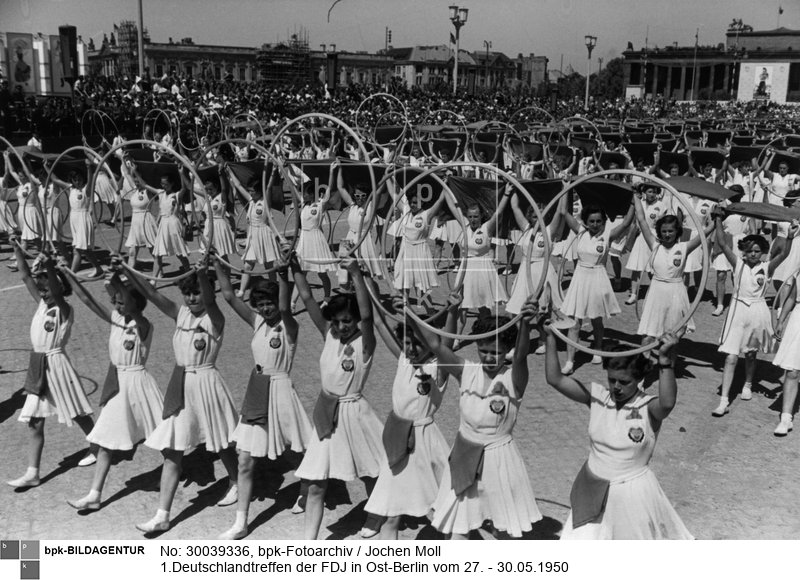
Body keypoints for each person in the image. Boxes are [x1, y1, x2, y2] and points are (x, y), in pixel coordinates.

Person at [542, 321, 692, 540]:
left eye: (624, 381)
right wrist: (549, 338)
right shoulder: (597, 396)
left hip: (631, 496)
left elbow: (667, 403)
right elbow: (555, 379)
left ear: (639, 379)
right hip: (592, 487)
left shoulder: (647, 406)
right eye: (612, 380)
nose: (616, 387)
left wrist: (665, 364)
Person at [124, 265, 239, 533]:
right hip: (182, 385)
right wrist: (129, 272)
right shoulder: (180, 313)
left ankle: (236, 480)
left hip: (208, 383)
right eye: (187, 293)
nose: (192, 298)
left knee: (220, 441)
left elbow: (210, 299)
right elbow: (151, 294)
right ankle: (162, 514)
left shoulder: (215, 317)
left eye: (197, 293)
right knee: (173, 449)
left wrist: (202, 275)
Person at [419, 309, 543, 539]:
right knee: (457, 526)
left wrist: (525, 323)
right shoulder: (466, 371)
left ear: (507, 350)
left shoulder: (514, 378)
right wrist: (409, 316)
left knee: (501, 528)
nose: (488, 357)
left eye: (496, 352)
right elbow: (436, 346)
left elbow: (521, 356)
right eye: (483, 351)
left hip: (499, 459)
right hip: (464, 455)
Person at [214, 256, 312, 540]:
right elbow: (230, 296)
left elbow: (283, 306)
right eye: (262, 304)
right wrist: (217, 265)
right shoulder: (256, 320)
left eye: (269, 302)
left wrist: (283, 274)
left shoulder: (289, 325)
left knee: (294, 449)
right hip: (257, 389)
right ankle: (241, 522)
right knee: (245, 459)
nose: (267, 308)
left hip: (281, 388)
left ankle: (309, 486)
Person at [291, 257, 385, 540]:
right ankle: (309, 543)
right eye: (337, 321)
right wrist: (294, 265)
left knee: (369, 470)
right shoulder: (329, 335)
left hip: (354, 413)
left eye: (347, 321)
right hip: (326, 414)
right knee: (317, 482)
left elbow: (368, 317)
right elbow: (306, 296)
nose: (342, 326)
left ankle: (377, 513)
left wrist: (355, 274)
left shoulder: (364, 343)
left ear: (355, 320)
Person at [65, 261, 164, 511]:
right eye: (116, 303)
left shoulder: (144, 325)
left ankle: (176, 470)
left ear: (136, 304)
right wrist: (69, 274)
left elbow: (129, 302)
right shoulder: (115, 319)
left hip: (139, 384)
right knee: (107, 439)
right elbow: (88, 300)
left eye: (121, 302)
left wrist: (120, 278)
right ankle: (94, 494)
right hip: (120, 385)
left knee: (163, 437)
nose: (117, 306)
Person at [362, 294, 459, 539]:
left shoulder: (438, 368)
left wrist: (452, 312)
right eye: (406, 342)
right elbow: (379, 322)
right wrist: (359, 276)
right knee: (392, 513)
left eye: (417, 342)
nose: (411, 348)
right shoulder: (404, 360)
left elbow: (445, 345)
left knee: (444, 508)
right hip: (397, 441)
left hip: (426, 443)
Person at [7, 242, 97, 489]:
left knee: (77, 411)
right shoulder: (41, 304)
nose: (44, 294)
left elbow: (56, 291)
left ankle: (99, 446)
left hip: (56, 364)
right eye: (42, 291)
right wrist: (17, 249)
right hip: (38, 365)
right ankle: (33, 472)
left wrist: (48, 264)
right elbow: (25, 277)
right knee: (34, 420)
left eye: (47, 290)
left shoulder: (64, 309)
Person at [711, 212, 797, 417]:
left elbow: (783, 255)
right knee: (731, 357)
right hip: (737, 309)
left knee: (750, 353)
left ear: (763, 253)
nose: (754, 254)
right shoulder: (737, 264)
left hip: (757, 311)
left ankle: (748, 383)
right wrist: (717, 219)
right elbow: (723, 243)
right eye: (750, 251)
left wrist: (791, 237)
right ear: (744, 252)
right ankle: (723, 400)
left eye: (758, 251)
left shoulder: (767, 267)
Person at [558, 202, 634, 374]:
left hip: (598, 277)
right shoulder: (580, 232)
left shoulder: (608, 235)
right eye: (591, 221)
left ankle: (598, 348)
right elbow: (563, 211)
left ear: (603, 221)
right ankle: (570, 361)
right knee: (574, 321)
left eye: (598, 221)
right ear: (585, 221)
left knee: (596, 319)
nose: (595, 224)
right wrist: (564, 187)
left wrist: (633, 200)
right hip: (580, 277)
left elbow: (626, 223)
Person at [632, 195, 712, 343]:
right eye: (664, 231)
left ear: (677, 232)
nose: (667, 234)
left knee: (673, 334)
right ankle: (645, 362)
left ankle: (667, 361)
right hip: (656, 291)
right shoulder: (654, 245)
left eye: (670, 231)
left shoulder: (684, 247)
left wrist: (718, 218)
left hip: (676, 292)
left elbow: (704, 232)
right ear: (659, 232)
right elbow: (642, 219)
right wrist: (636, 197)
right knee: (648, 336)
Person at [506, 192, 564, 354]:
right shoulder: (526, 229)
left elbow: (560, 211)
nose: (536, 217)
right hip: (525, 272)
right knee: (516, 310)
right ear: (529, 217)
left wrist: (564, 190)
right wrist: (514, 187)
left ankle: (543, 340)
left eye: (541, 214)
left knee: (542, 311)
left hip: (543, 272)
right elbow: (514, 206)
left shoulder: (549, 230)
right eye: (533, 215)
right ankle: (517, 344)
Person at [228, 165, 283, 296]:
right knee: (247, 265)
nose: (251, 193)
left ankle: (273, 290)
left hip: (264, 234)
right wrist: (229, 170)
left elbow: (269, 187)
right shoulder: (251, 200)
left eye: (253, 191)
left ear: (259, 191)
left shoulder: (265, 201)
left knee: (269, 266)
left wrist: (274, 172)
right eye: (250, 191)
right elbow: (238, 186)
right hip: (253, 235)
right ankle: (241, 292)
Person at [47, 164, 105, 278]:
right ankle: (98, 268)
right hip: (74, 220)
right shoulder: (70, 188)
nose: (77, 181)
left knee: (77, 250)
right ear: (71, 180)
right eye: (75, 179)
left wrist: (88, 167)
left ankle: (71, 276)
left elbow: (91, 180)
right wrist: (47, 167)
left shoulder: (86, 189)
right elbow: (55, 179)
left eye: (79, 178)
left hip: (83, 219)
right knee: (86, 250)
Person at [294, 164, 338, 304]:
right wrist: (285, 167)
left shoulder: (320, 205)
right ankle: (292, 302)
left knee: (322, 273)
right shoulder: (303, 204)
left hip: (316, 240)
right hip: (304, 240)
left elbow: (329, 189)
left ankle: (327, 298)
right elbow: (291, 183)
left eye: (305, 192)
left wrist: (331, 172)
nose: (303, 195)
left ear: (312, 193)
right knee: (301, 273)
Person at [137, 171, 191, 278]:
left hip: (173, 224)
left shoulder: (176, 195)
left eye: (166, 184)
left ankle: (189, 273)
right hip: (163, 225)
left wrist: (180, 173)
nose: (164, 186)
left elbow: (184, 189)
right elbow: (144, 185)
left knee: (180, 253)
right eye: (162, 184)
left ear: (171, 184)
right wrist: (135, 171)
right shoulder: (160, 193)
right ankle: (154, 279)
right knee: (158, 254)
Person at [625, 184, 668, 306]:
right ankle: (633, 294)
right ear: (645, 192)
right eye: (649, 191)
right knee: (636, 266)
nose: (652, 194)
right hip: (640, 237)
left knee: (652, 267)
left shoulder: (661, 205)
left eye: (654, 192)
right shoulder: (640, 203)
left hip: (653, 236)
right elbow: (633, 220)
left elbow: (663, 224)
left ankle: (653, 294)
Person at [773, 269, 800, 436]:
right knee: (792, 371)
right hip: (799, 319)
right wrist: (781, 321)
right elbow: (791, 297)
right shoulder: (798, 272)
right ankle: (786, 418)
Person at [119, 157, 157, 268]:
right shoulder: (135, 190)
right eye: (135, 180)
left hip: (146, 221)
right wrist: (122, 159)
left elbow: (143, 184)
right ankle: (130, 274)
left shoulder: (148, 191)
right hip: (135, 223)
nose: (136, 182)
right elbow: (126, 174)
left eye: (138, 180)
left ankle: (159, 272)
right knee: (132, 252)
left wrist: (135, 171)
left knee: (152, 249)